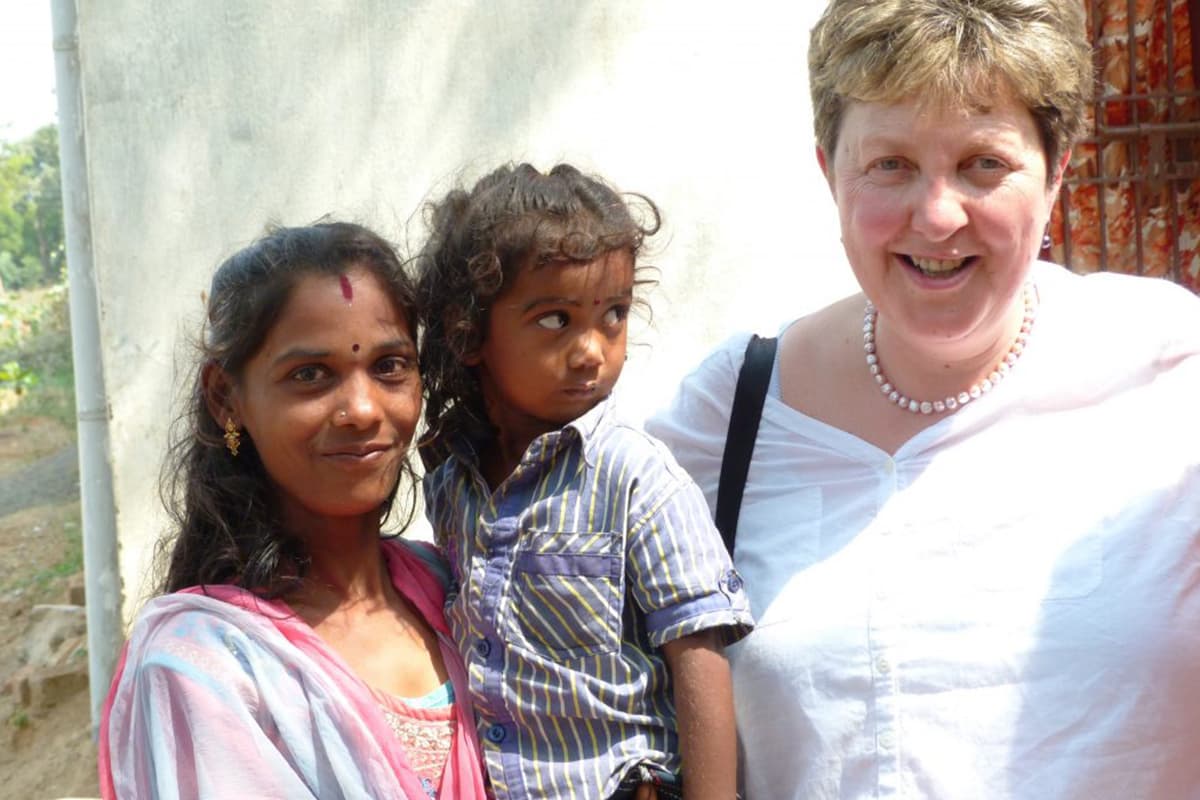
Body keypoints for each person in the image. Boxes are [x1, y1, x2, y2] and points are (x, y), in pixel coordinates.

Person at [647, 1, 1200, 798]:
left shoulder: (1169, 369)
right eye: (890, 165)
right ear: (828, 171)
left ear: (1060, 169)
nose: (938, 215)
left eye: (984, 163)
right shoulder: (732, 412)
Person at [98, 222, 489, 799]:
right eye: (310, 375)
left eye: (389, 366)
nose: (361, 409)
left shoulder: (460, 591)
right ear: (227, 399)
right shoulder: (202, 664)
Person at [415, 163, 753, 800]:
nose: (592, 350)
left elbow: (699, 654)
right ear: (469, 335)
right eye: (555, 320)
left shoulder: (637, 478)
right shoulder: (452, 482)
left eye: (613, 315)